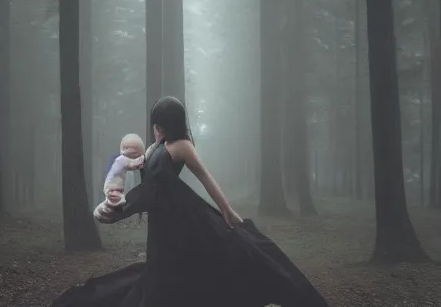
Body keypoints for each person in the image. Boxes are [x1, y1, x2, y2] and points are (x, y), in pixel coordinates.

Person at [52, 96, 330, 307]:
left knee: (245, 255)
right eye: (155, 127)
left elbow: (206, 178)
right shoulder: (154, 149)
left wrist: (228, 211)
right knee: (159, 274)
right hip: (164, 226)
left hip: (187, 219)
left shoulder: (181, 146)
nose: (156, 131)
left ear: (167, 125)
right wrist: (114, 203)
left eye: (158, 126)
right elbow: (144, 185)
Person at [93, 134, 145, 218]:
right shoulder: (117, 165)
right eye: (128, 154)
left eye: (135, 155)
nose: (131, 158)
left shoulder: (143, 168)